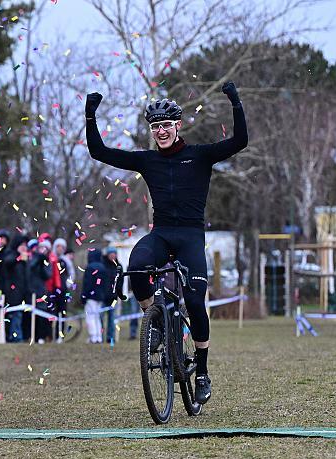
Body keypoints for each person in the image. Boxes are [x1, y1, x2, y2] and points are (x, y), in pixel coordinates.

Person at [85, 82, 248, 403]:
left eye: (165, 125)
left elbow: (240, 141)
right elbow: (99, 152)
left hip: (190, 237)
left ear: (177, 126)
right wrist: (90, 115)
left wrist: (235, 101)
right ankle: (155, 320)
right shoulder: (148, 160)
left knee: (196, 301)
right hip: (161, 233)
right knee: (136, 265)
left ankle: (201, 372)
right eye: (155, 126)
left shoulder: (200, 156)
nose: (161, 131)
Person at [0, 234, 31, 343]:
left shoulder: (25, 259)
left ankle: (18, 335)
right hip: (12, 291)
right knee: (14, 315)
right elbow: (8, 262)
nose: (24, 247)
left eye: (25, 245)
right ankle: (15, 337)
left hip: (22, 292)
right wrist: (19, 257)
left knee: (19, 315)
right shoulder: (11, 254)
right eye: (22, 244)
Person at [81, 248, 107, 344]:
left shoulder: (90, 267)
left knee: (90, 317)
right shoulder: (103, 267)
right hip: (100, 296)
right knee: (97, 317)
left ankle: (93, 337)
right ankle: (98, 337)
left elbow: (87, 284)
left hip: (91, 297)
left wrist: (84, 296)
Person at [28, 239, 52, 341]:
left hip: (41, 291)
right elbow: (31, 268)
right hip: (31, 290)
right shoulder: (31, 258)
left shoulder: (46, 261)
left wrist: (42, 263)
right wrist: (38, 259)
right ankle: (33, 336)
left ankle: (41, 336)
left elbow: (47, 275)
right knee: (31, 315)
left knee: (42, 314)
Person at [102, 246, 124, 343]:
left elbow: (120, 282)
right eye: (111, 254)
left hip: (114, 298)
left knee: (112, 319)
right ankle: (99, 336)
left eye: (114, 253)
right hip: (103, 297)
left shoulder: (119, 267)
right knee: (100, 318)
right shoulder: (102, 265)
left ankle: (110, 337)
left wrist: (119, 294)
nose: (112, 255)